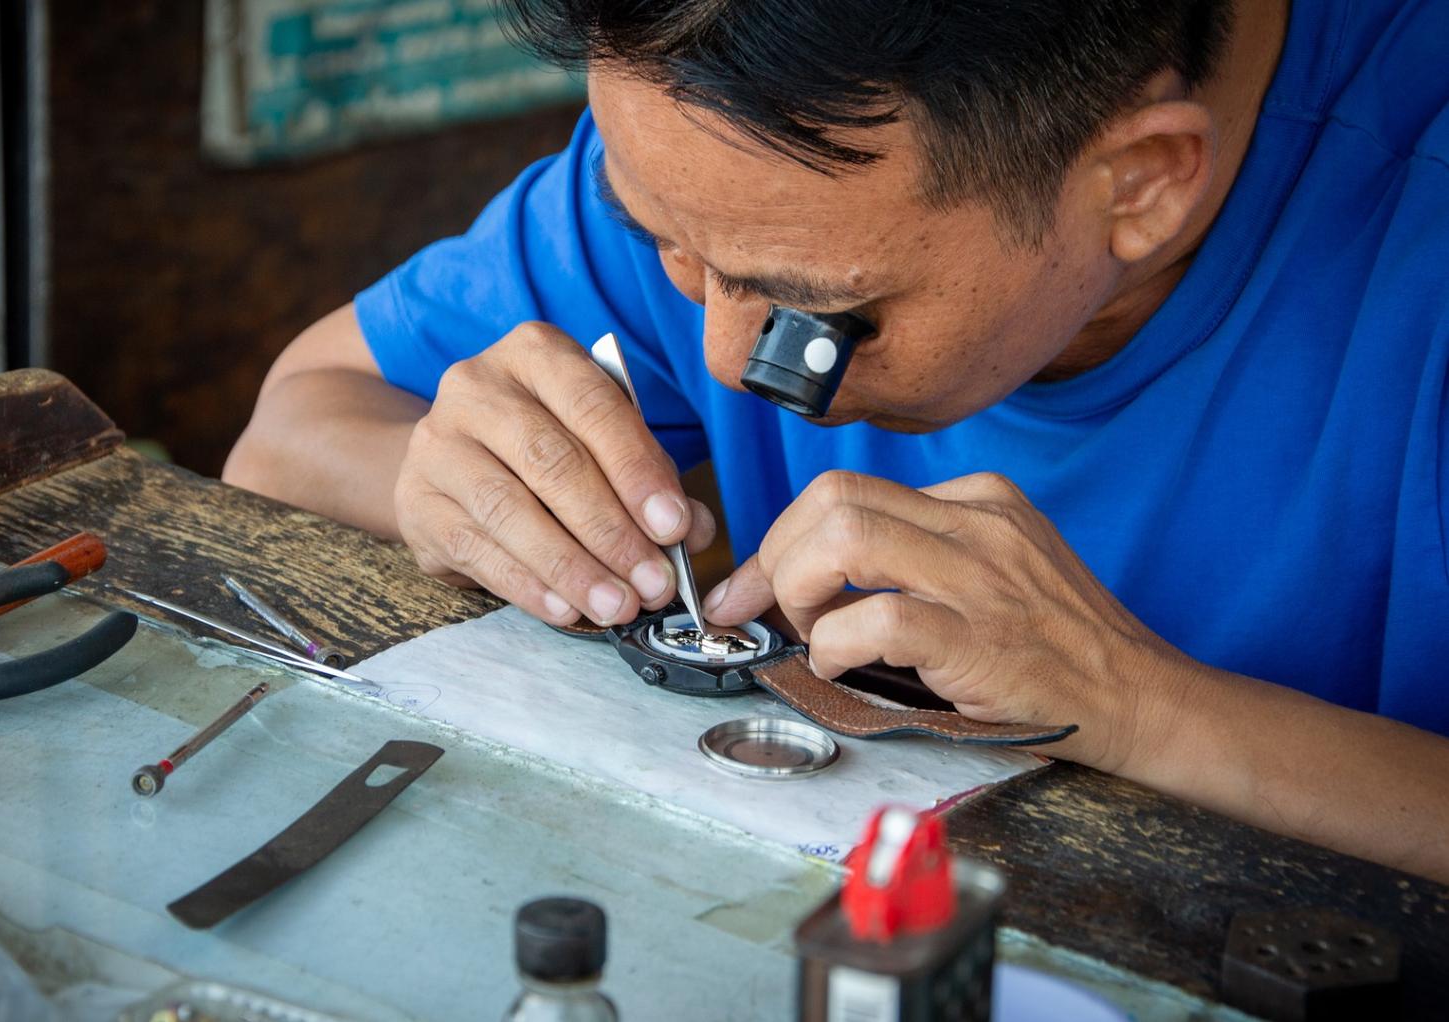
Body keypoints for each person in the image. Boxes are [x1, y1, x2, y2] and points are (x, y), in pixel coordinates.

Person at [226, 0, 1449, 880]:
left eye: (808, 312)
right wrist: (451, 485)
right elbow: (292, 427)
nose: (715, 359)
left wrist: (1145, 706)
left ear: (1137, 183)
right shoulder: (725, 143)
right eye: (659, 238)